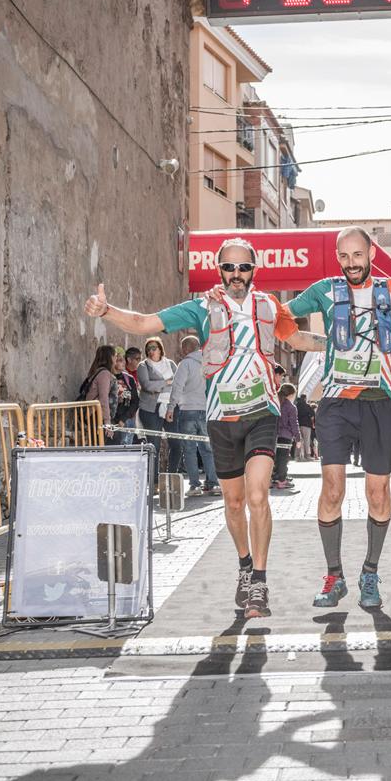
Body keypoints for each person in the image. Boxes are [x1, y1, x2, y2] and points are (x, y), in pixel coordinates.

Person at [84, 238, 322, 618]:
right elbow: (146, 323)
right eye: (229, 267)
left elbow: (298, 339)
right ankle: (245, 566)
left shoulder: (269, 306)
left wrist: (349, 345)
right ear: (220, 271)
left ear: (254, 270)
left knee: (259, 496)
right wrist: (106, 311)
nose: (237, 274)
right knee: (234, 502)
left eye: (244, 267)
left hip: (262, 412)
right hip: (221, 418)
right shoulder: (201, 308)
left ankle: (259, 581)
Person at [282, 228, 391, 607]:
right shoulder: (324, 290)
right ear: (338, 257)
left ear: (370, 253)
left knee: (378, 492)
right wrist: (319, 343)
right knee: (332, 491)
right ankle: (334, 576)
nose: (352, 263)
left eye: (358, 254)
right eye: (345, 256)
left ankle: (370, 573)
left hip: (378, 401)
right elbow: (284, 317)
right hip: (336, 403)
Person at [168, 335, 218, 495]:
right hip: (206, 410)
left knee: (189, 449)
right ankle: (213, 483)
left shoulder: (185, 364)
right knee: (207, 449)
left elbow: (177, 387)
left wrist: (170, 408)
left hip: (188, 410)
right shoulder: (209, 363)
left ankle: (195, 485)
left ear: (186, 348)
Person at [136, 337, 176, 467]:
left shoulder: (170, 364)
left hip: (170, 406)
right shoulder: (143, 366)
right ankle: (153, 480)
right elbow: (147, 386)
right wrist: (166, 382)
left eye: (154, 348)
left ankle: (171, 476)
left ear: (160, 349)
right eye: (148, 349)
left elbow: (178, 383)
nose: (151, 351)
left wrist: (158, 385)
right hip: (150, 409)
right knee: (155, 445)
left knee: (177, 443)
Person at [81, 345, 122, 441]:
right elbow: (103, 398)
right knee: (106, 447)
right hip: (98, 415)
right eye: (115, 355)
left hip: (98, 414)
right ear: (110, 357)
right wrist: (107, 422)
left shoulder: (100, 372)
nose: (116, 358)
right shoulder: (104, 374)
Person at [272, 383, 299, 490]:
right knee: (283, 459)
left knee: (275, 458)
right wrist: (298, 438)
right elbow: (293, 423)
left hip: (274, 435)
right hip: (285, 436)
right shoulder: (291, 407)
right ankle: (282, 481)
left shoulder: (276, 404)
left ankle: (274, 478)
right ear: (291, 395)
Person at [122, 346, 143, 442]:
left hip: (137, 411)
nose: (140, 361)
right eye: (137, 359)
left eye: (141, 359)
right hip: (126, 413)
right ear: (129, 359)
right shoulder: (123, 374)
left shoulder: (140, 372)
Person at [295, 394, 315, 462]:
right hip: (306, 425)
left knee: (299, 441)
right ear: (305, 398)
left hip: (297, 425)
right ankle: (307, 456)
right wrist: (313, 424)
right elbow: (312, 416)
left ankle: (298, 456)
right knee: (307, 441)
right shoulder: (307, 406)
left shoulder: (296, 405)